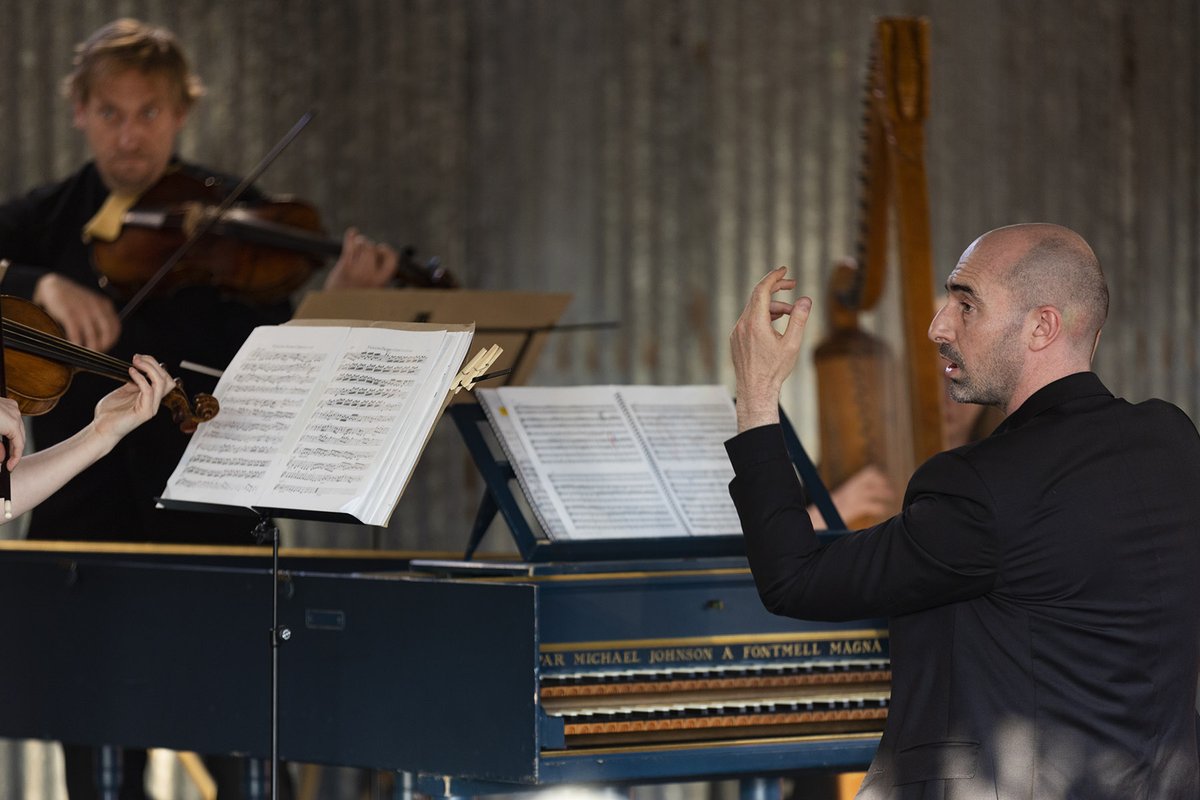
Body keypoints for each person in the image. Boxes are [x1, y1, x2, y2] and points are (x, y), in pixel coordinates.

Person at [0, 17, 402, 800]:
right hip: (83, 540)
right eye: (110, 112)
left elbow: (276, 360)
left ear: (182, 112)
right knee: (100, 771)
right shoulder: (44, 220)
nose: (130, 135)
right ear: (79, 111)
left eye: (149, 112)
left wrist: (333, 305)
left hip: (210, 533)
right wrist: (33, 281)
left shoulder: (232, 225)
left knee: (251, 763)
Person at [726, 223, 1200, 798]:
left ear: (1042, 326)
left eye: (966, 304)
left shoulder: (980, 486)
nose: (937, 328)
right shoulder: (1173, 440)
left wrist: (756, 393)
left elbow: (792, 579)